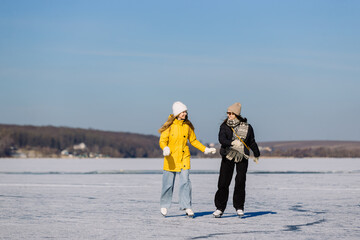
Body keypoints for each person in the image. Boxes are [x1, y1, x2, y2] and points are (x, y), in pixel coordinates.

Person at [158, 101, 216, 217]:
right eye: (182, 112)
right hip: (171, 157)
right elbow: (162, 140)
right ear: (177, 113)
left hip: (184, 157)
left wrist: (205, 149)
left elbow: (193, 140)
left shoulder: (187, 126)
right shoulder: (169, 126)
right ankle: (164, 205)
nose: (185, 114)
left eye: (185, 112)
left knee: (185, 183)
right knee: (168, 184)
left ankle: (187, 207)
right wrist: (165, 148)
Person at [213, 102, 260, 218]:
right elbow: (221, 139)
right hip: (227, 155)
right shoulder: (224, 126)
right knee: (223, 182)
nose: (229, 115)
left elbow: (251, 141)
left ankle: (239, 207)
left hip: (242, 156)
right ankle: (220, 208)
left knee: (240, 181)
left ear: (237, 114)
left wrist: (257, 153)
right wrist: (231, 143)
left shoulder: (247, 127)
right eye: (228, 113)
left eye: (231, 113)